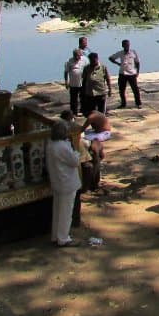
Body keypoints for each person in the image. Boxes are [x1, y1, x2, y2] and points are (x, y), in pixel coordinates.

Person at [46, 116, 81, 247]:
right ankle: (63, 238)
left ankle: (56, 235)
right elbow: (75, 161)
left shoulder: (51, 145)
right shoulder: (62, 147)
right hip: (66, 182)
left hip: (57, 181)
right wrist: (75, 151)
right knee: (66, 212)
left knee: (58, 210)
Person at [109, 39, 142, 109]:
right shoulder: (120, 53)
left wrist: (137, 71)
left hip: (132, 73)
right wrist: (118, 63)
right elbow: (111, 58)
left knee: (135, 89)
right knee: (121, 90)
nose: (127, 46)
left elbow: (137, 62)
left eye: (128, 45)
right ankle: (123, 103)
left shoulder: (133, 52)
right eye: (125, 45)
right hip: (123, 73)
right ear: (123, 46)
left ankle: (138, 103)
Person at [82, 52, 112, 116]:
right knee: (91, 111)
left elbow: (108, 79)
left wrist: (110, 89)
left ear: (97, 59)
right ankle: (94, 124)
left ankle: (101, 124)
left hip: (100, 92)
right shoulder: (86, 68)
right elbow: (84, 80)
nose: (92, 62)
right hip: (90, 93)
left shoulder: (103, 67)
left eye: (94, 60)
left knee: (101, 111)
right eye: (91, 60)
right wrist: (83, 91)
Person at [63, 48, 86, 116]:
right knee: (73, 99)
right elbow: (66, 72)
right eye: (75, 55)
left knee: (84, 98)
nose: (77, 57)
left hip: (82, 83)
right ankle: (74, 112)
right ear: (73, 55)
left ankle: (83, 110)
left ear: (80, 55)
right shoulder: (69, 61)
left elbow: (87, 69)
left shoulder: (84, 60)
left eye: (78, 55)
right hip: (73, 84)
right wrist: (66, 81)